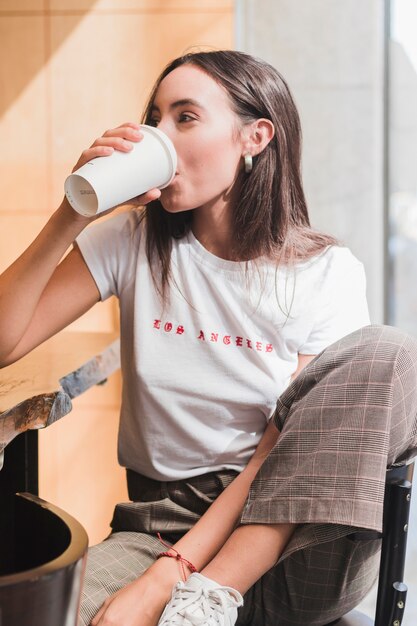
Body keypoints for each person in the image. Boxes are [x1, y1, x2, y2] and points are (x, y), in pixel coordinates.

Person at [1, 50, 416, 626]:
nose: (158, 135)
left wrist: (174, 581)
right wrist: (74, 210)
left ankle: (206, 603)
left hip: (292, 539)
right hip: (159, 525)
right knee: (42, 614)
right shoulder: (133, 239)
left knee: (390, 350)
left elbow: (280, 454)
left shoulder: (325, 272)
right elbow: (4, 340)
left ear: (254, 137)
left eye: (185, 117)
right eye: (154, 118)